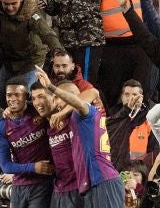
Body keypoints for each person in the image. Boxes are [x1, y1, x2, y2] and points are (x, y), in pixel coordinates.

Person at [35, 66, 124, 207]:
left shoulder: (83, 113)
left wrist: (51, 87)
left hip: (102, 179)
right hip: (91, 184)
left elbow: (91, 93)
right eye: (56, 99)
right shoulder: (73, 119)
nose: (56, 102)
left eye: (60, 97)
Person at [0, 0, 62, 106]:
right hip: (8, 61)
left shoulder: (31, 13)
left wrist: (57, 51)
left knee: (23, 95)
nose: (10, 8)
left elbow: (47, 34)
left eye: (14, 3)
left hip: (30, 61)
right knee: (2, 94)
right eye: (6, 3)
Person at [97, 0, 152, 108]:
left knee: (141, 95)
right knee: (112, 95)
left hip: (139, 46)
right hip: (113, 50)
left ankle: (140, 130)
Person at [0, 77, 54, 208]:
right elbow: (6, 166)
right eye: (9, 95)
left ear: (26, 97)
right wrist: (33, 167)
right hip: (18, 187)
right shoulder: (1, 126)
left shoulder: (38, 111)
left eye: (17, 95)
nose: (12, 99)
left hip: (42, 184)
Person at [107, 79, 159, 171]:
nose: (131, 98)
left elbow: (154, 153)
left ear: (141, 98)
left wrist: (142, 173)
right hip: (112, 172)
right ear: (121, 97)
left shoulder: (149, 121)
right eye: (127, 94)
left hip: (136, 175)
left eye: (135, 95)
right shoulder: (112, 118)